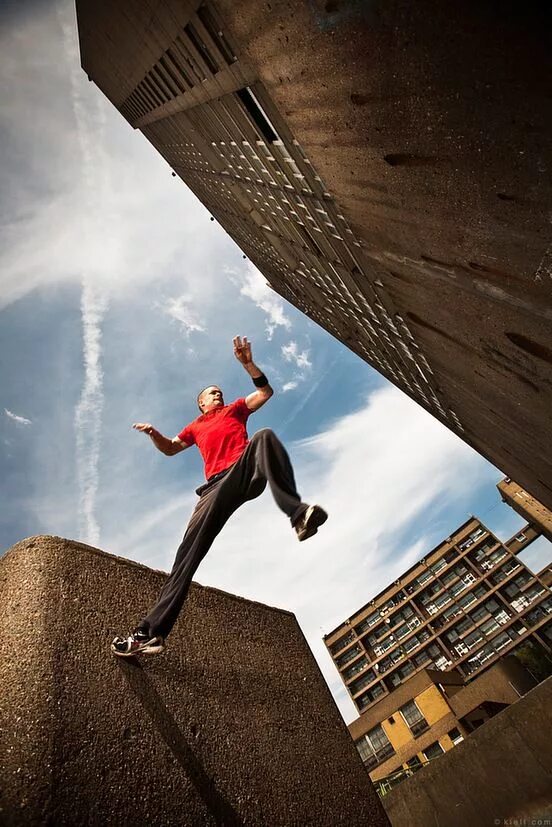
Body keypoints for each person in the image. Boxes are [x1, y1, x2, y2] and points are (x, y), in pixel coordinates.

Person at [111, 336, 327, 657]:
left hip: (244, 471)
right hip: (213, 489)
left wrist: (247, 364)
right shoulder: (196, 426)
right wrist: (155, 434)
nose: (218, 394)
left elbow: (265, 393)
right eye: (213, 393)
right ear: (202, 403)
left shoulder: (235, 409)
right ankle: (150, 634)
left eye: (220, 392)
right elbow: (171, 448)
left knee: (264, 436)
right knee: (187, 555)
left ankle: (297, 516)